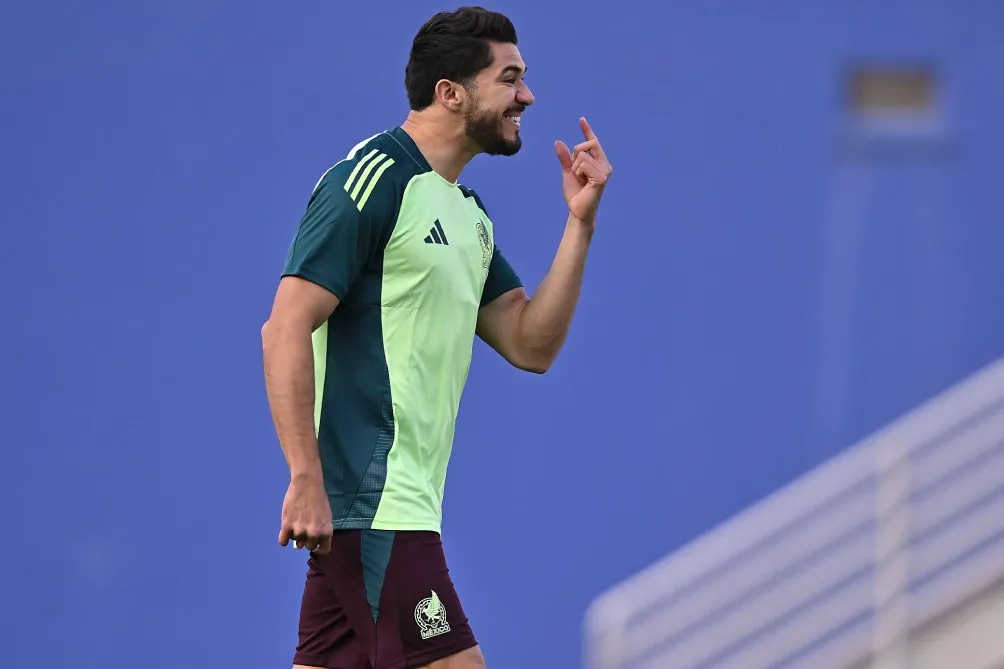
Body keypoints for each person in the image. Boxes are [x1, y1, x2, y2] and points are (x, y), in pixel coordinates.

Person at [261, 6, 613, 668]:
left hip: (397, 507)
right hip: (374, 502)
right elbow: (284, 326)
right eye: (510, 78)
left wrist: (580, 225)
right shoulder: (372, 180)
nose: (528, 96)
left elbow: (530, 342)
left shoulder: (469, 215)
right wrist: (304, 476)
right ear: (451, 92)